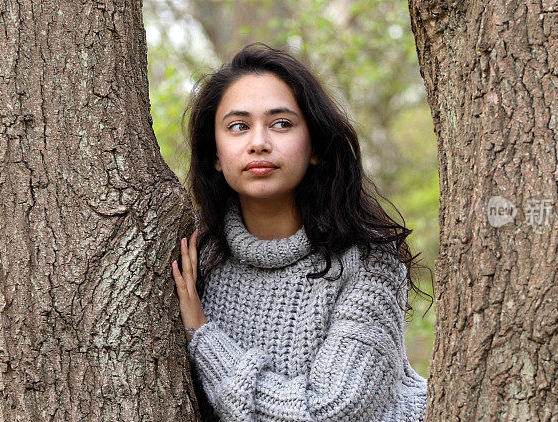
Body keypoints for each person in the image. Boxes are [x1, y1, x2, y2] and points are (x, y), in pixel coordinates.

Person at [171, 42, 433, 421]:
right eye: (238, 126)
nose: (259, 143)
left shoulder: (368, 262)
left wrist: (202, 337)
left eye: (281, 124)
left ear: (314, 146)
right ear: (214, 153)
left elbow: (335, 412)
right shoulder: (194, 257)